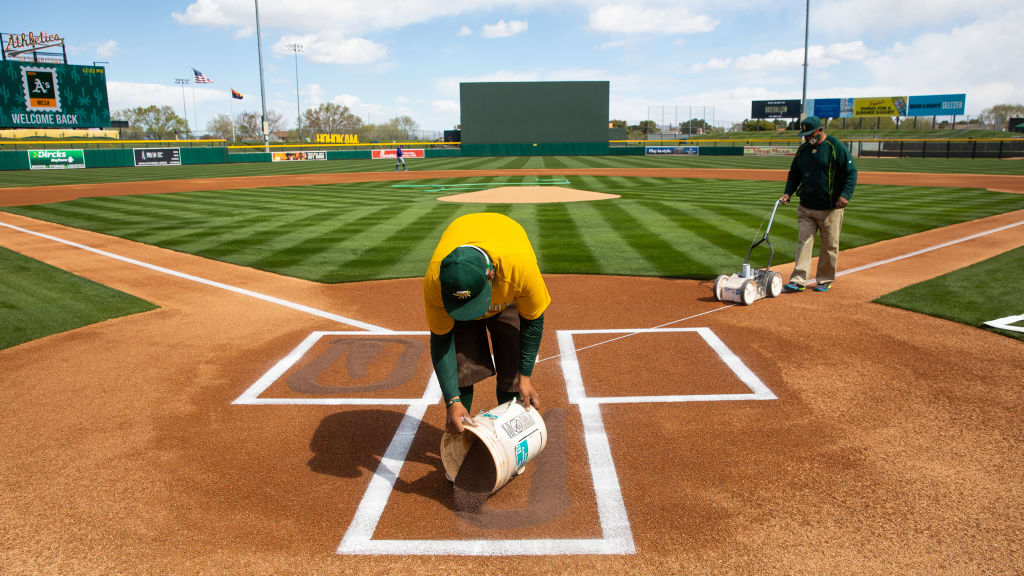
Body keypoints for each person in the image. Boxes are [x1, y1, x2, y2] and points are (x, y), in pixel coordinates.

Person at [423, 213, 550, 436]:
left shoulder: (520, 267)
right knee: (461, 364)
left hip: (506, 293)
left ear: (491, 275)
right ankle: (461, 435)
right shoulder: (436, 280)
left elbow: (533, 322)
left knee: (512, 364)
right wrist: (452, 401)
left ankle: (509, 436)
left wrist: (525, 376)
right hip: (469, 283)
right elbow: (442, 341)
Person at [779, 116, 858, 293]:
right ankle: (799, 280)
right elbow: (794, 173)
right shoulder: (804, 149)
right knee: (803, 243)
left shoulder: (834, 146)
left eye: (810, 134)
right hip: (806, 206)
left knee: (829, 245)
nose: (807, 138)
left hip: (830, 208)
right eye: (805, 135)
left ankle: (824, 279)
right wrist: (788, 192)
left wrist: (845, 195)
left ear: (820, 130)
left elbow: (851, 172)